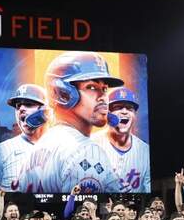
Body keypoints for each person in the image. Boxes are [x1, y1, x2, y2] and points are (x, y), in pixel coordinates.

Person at [18, 51, 126, 193]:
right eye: (92, 87)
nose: (103, 97)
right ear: (62, 93)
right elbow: (84, 212)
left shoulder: (33, 152)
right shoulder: (86, 150)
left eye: (104, 89)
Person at [95, 87, 151, 192]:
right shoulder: (91, 145)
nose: (124, 112)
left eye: (129, 108)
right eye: (118, 107)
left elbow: (147, 188)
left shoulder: (145, 151)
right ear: (107, 113)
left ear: (135, 115)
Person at [0, 83, 48, 191]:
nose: (21, 108)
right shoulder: (1, 150)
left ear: (46, 111)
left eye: (28, 104)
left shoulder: (63, 147)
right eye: (18, 106)